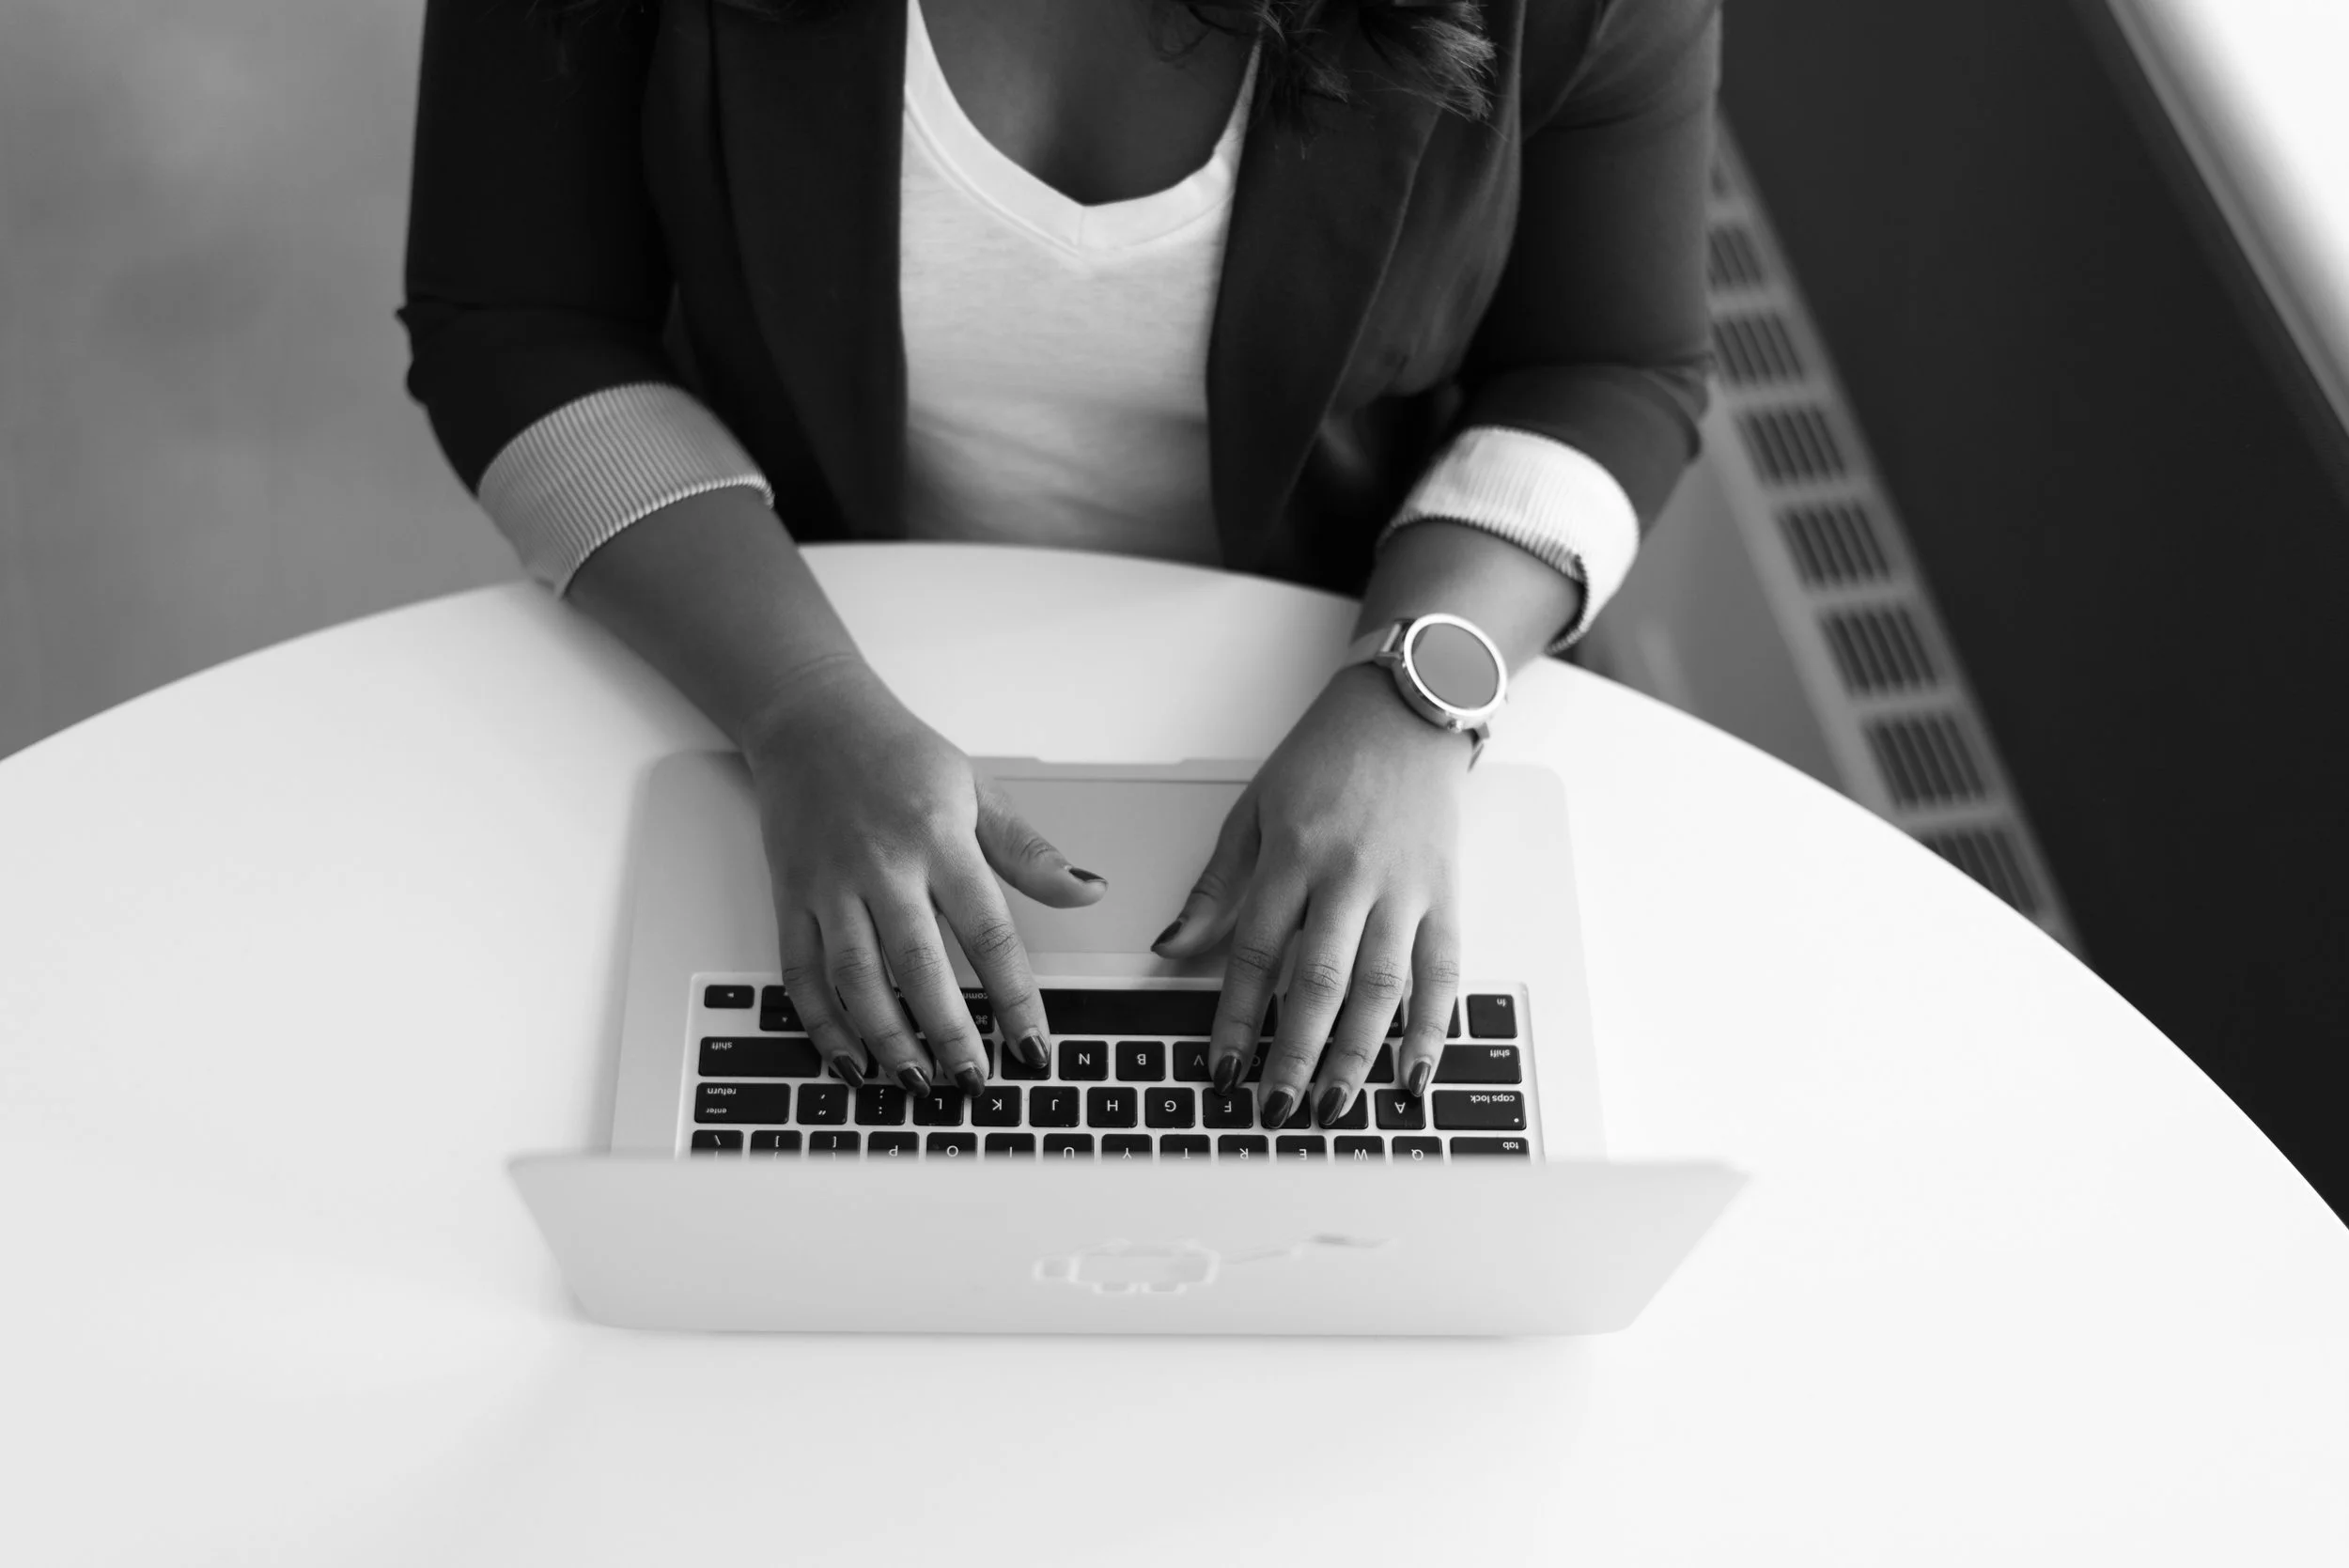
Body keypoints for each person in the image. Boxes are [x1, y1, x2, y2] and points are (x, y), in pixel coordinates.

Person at [398, 0, 1721, 1137]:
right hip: (773, 622)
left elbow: (1606, 364)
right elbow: (519, 325)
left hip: (1329, 669)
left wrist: (1414, 702)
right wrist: (800, 705)